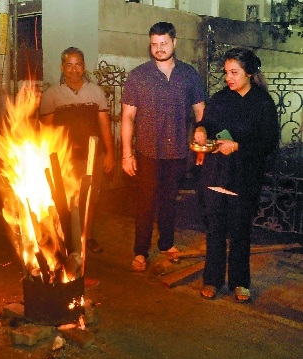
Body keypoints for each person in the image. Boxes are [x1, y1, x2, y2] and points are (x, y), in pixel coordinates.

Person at [194, 48, 279, 302]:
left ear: (250, 73)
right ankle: (212, 280)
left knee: (241, 231)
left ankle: (240, 282)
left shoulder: (262, 103)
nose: (228, 78)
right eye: (226, 73)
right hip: (216, 172)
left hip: (244, 175)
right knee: (215, 229)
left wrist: (238, 146)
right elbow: (207, 124)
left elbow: (269, 141)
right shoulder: (220, 99)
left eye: (234, 72)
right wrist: (200, 129)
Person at [121, 22, 206, 271]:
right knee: (145, 202)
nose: (159, 49)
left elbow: (201, 110)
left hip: (178, 150)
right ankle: (140, 251)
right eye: (154, 44)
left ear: (174, 43)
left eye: (164, 43)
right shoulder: (138, 76)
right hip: (148, 150)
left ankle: (166, 243)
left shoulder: (189, 75)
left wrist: (201, 136)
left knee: (170, 199)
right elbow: (127, 117)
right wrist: (127, 154)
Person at [39, 46, 115, 254]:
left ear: (84, 66)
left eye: (78, 64)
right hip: (64, 159)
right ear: (62, 67)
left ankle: (86, 237)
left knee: (90, 200)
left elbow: (104, 125)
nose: (74, 69)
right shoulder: (52, 94)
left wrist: (109, 153)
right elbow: (45, 130)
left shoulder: (95, 92)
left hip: (91, 158)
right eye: (69, 65)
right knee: (64, 201)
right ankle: (63, 239)